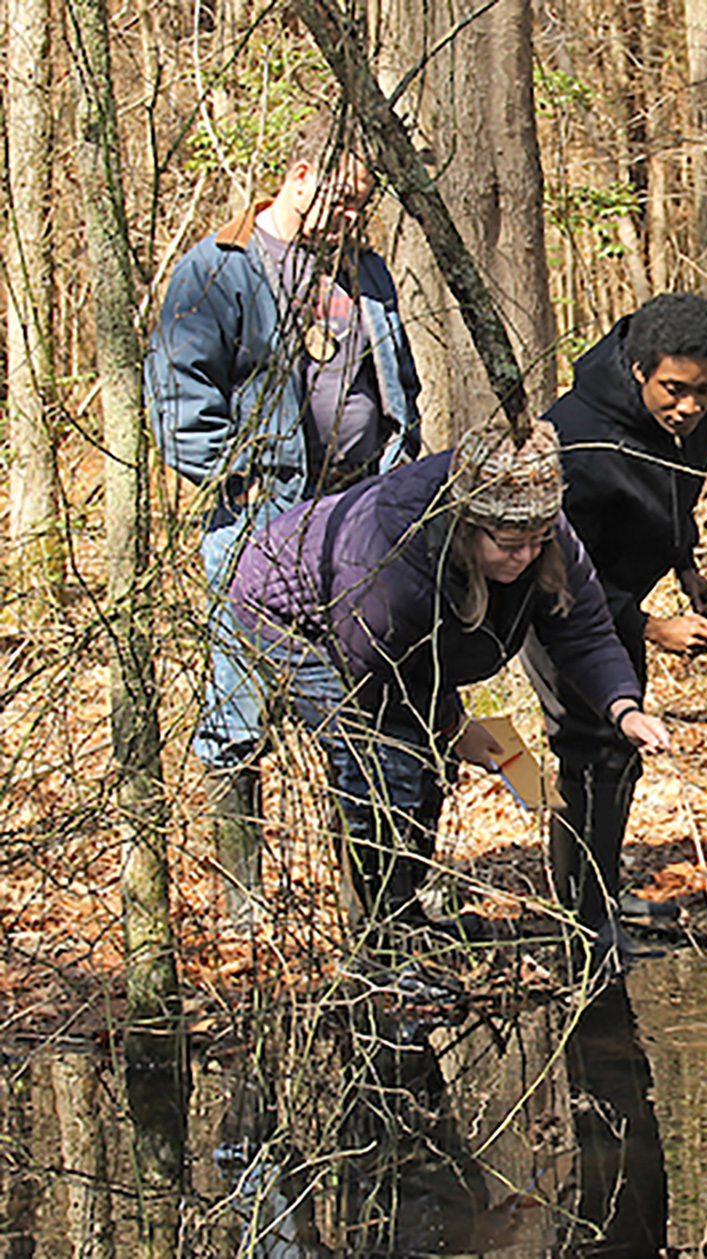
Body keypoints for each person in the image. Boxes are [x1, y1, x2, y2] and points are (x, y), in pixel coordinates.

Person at [228, 422, 671, 958]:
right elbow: (380, 677)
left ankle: (406, 913)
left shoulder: (545, 532)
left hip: (389, 647)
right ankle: (382, 945)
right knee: (383, 763)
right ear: (467, 525)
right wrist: (453, 726)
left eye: (536, 542)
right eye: (509, 545)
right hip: (294, 617)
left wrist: (624, 709)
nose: (526, 557)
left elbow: (584, 630)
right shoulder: (392, 560)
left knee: (427, 762)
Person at [146, 112, 423, 923]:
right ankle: (243, 901)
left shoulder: (366, 271)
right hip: (260, 519)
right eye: (340, 201)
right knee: (239, 702)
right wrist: (239, 482)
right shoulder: (220, 268)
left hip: (362, 517)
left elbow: (394, 380)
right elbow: (180, 402)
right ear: (299, 176)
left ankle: (371, 893)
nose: (350, 218)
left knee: (370, 692)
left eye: (361, 206)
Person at [523, 293, 707, 954]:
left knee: (621, 753)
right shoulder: (577, 438)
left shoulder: (702, 415)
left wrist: (686, 566)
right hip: (555, 600)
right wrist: (646, 625)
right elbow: (552, 572)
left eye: (704, 389)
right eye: (674, 389)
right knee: (589, 745)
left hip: (626, 596)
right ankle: (584, 920)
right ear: (639, 368)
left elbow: (675, 493)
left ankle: (600, 892)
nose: (689, 407)